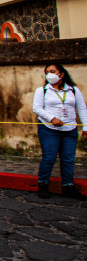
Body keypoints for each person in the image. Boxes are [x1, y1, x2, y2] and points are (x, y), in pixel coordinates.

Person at [32, 64, 87, 201]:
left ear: (61, 74)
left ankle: (68, 186)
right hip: (49, 129)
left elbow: (82, 108)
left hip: (70, 129)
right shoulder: (42, 91)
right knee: (49, 157)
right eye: (47, 72)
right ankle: (43, 184)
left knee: (68, 158)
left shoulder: (73, 90)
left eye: (52, 71)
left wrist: (85, 127)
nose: (49, 74)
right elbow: (37, 108)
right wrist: (52, 118)